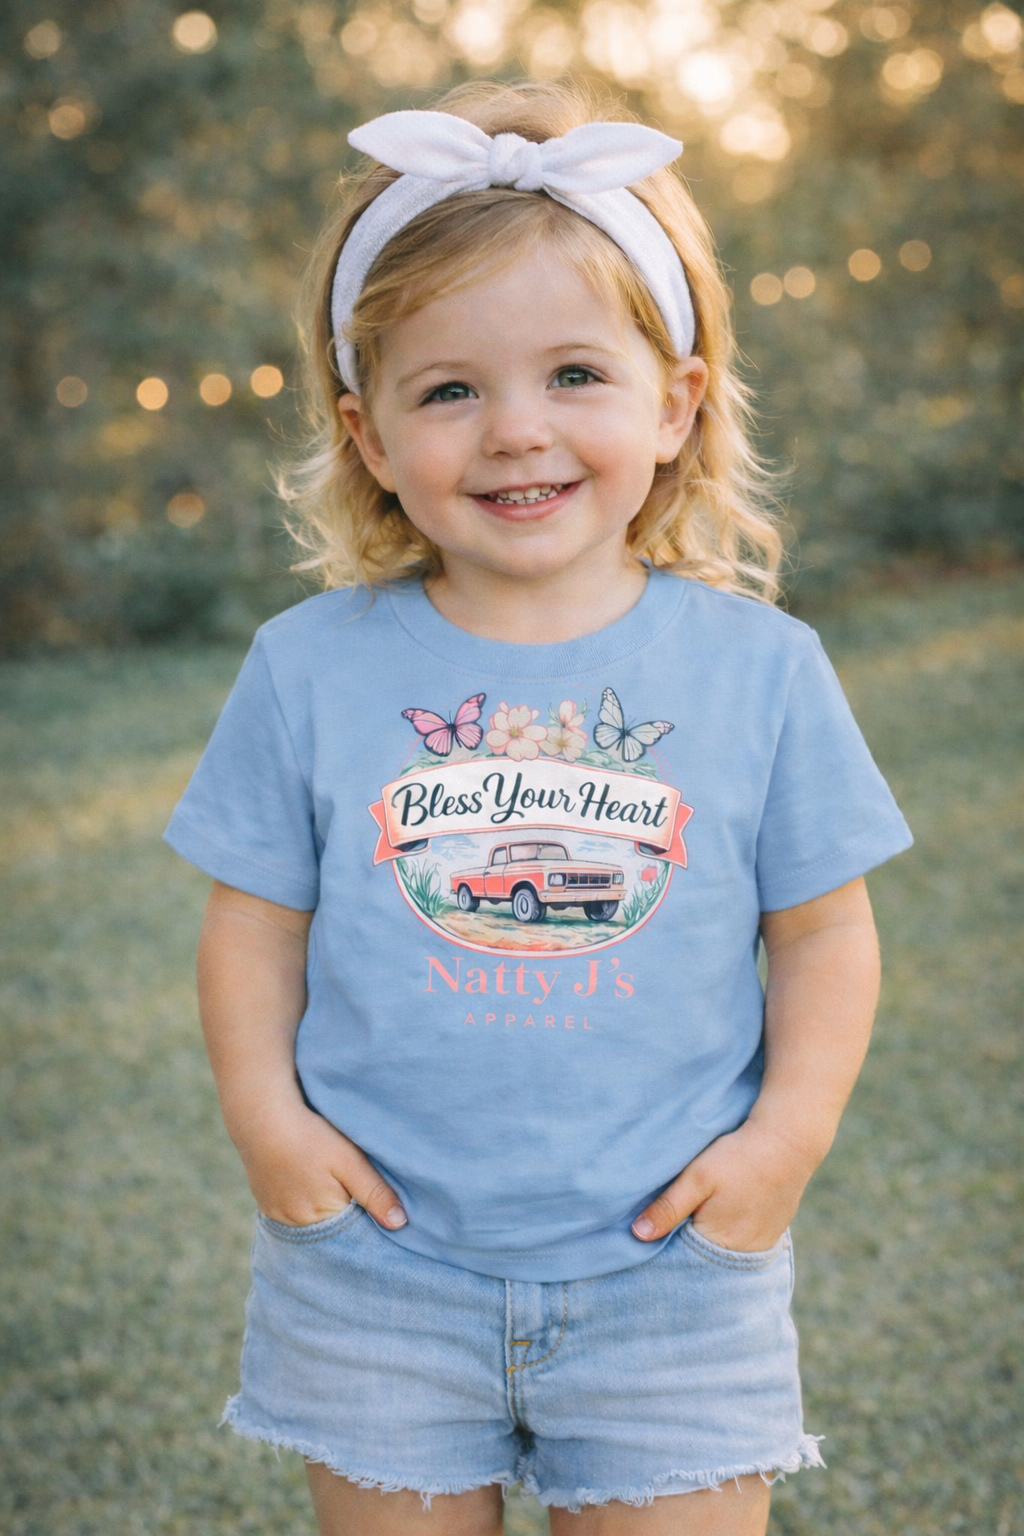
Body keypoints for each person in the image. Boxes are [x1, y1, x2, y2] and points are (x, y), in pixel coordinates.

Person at [163, 79, 913, 1536]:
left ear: (676, 401)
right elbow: (252, 926)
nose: (516, 431)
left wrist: (785, 1147)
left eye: (576, 374)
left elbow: (825, 933)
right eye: (449, 389)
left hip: (670, 1274)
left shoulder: (761, 670)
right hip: (377, 1263)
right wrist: (268, 1124)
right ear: (369, 434)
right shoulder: (308, 668)